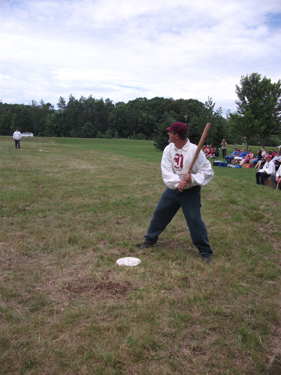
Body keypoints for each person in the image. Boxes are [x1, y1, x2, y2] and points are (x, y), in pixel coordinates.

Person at [139, 122, 214, 263]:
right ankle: (150, 240)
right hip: (173, 190)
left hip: (190, 191)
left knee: (194, 220)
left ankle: (205, 251)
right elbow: (166, 171)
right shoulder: (169, 149)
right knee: (160, 214)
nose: (168, 134)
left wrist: (192, 178)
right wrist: (176, 182)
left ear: (176, 135)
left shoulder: (194, 151)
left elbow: (208, 172)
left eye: (170, 132)